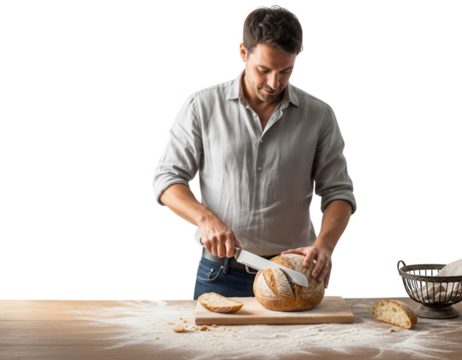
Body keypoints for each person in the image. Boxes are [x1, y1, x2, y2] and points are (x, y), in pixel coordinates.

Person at [152, 5, 356, 300]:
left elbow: (338, 192)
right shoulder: (201, 106)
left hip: (297, 279)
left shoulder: (319, 114)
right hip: (219, 276)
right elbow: (167, 180)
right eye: (264, 70)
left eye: (285, 71)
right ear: (243, 53)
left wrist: (325, 245)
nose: (274, 83)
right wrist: (205, 219)